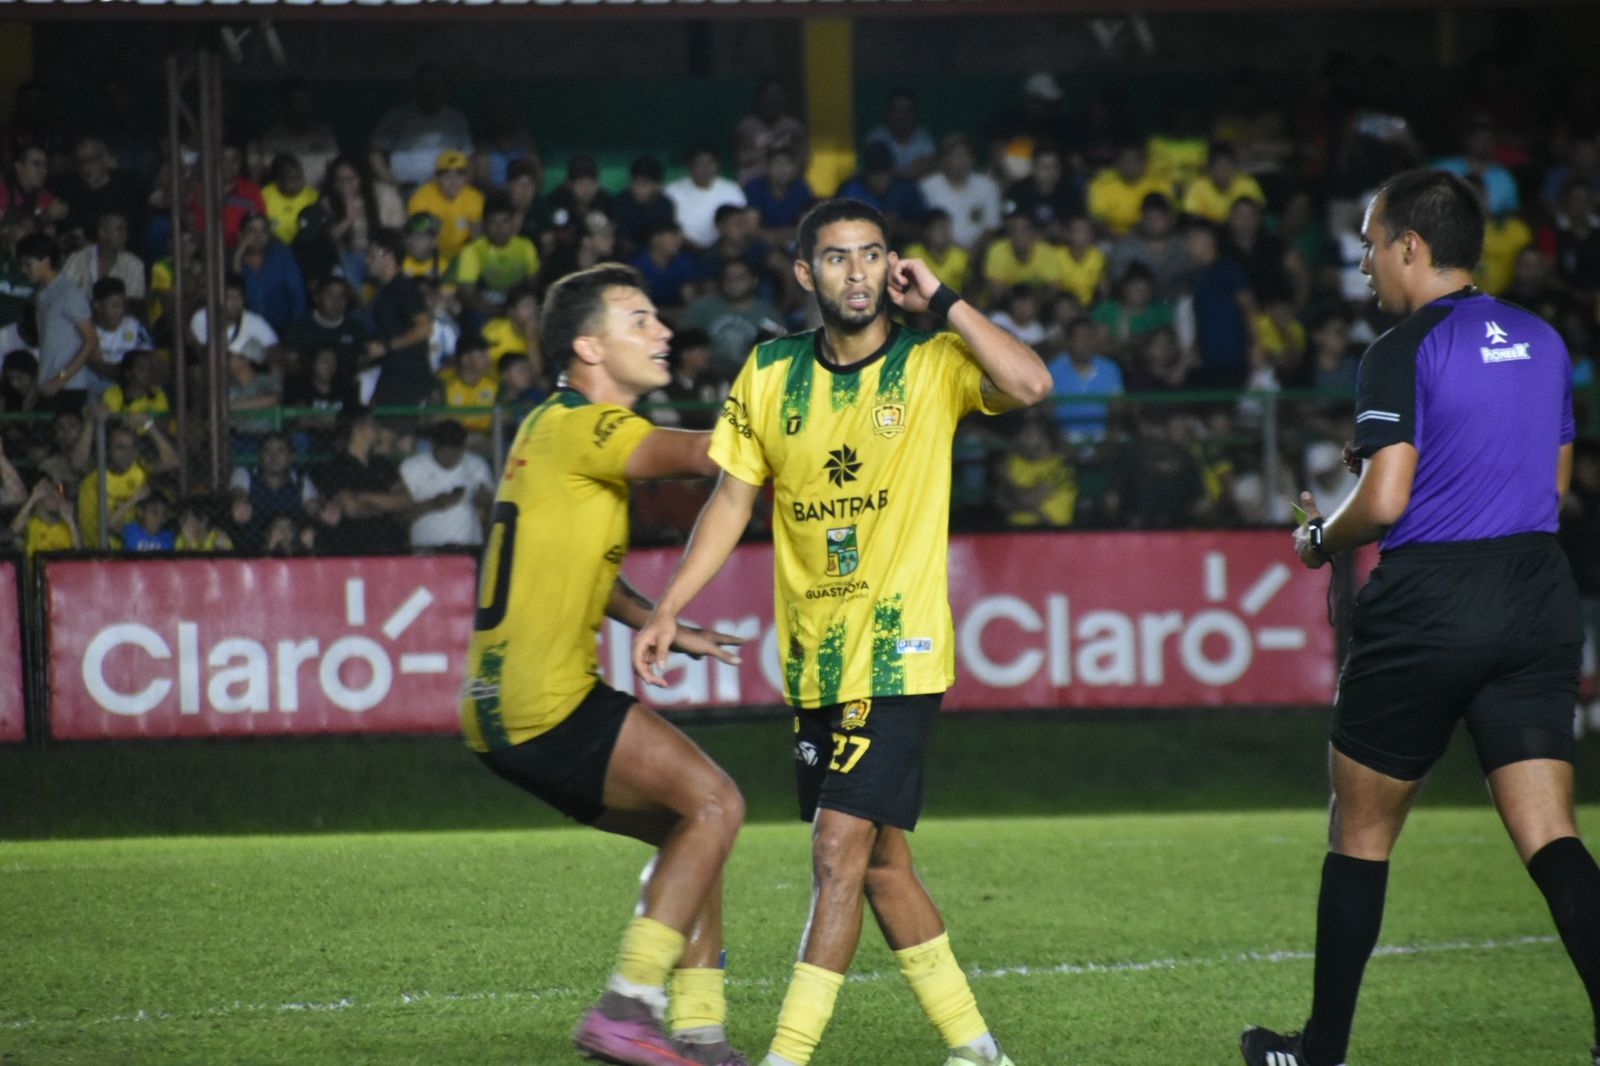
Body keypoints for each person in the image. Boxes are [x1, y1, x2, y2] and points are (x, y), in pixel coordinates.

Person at [633, 198, 1051, 1066]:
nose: (857, 273)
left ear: (891, 264)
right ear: (804, 273)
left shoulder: (933, 360)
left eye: (871, 256)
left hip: (900, 656)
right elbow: (731, 501)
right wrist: (669, 606)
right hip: (816, 666)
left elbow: (1031, 384)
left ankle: (786, 1058)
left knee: (835, 851)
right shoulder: (770, 372)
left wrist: (944, 299)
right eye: (837, 258)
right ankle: (978, 1052)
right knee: (882, 866)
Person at [1241, 169, 1600, 1066]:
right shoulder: (1545, 338)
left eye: (1369, 243)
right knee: (1551, 833)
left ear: (1410, 244)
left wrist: (1322, 536)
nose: (1362, 263)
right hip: (1537, 593)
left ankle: (1317, 1053)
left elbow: (1389, 499)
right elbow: (1549, 489)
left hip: (1434, 599)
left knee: (1359, 830)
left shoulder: (1399, 349)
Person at [460, 263, 751, 1066]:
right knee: (718, 805)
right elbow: (703, 454)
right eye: (639, 320)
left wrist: (657, 618)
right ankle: (627, 1006)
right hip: (541, 702)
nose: (662, 332)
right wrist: (788, 411)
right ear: (589, 347)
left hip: (495, 708)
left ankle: (699, 1031)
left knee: (693, 829)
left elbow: (573, 561)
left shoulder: (544, 427)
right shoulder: (592, 425)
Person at [19, 232, 99, 413]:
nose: (24, 270)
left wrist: (61, 378)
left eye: (28, 264)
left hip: (69, 387)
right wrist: (35, 388)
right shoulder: (41, 295)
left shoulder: (70, 293)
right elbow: (47, 348)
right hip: (47, 386)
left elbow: (91, 341)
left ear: (45, 261)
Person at [398, 419, 494, 548]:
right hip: (426, 548)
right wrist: (434, 504)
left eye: (457, 452)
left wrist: (484, 500)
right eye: (446, 453)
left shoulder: (476, 464)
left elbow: (491, 507)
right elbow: (400, 516)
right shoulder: (412, 467)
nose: (452, 458)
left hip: (468, 546)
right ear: (433, 446)